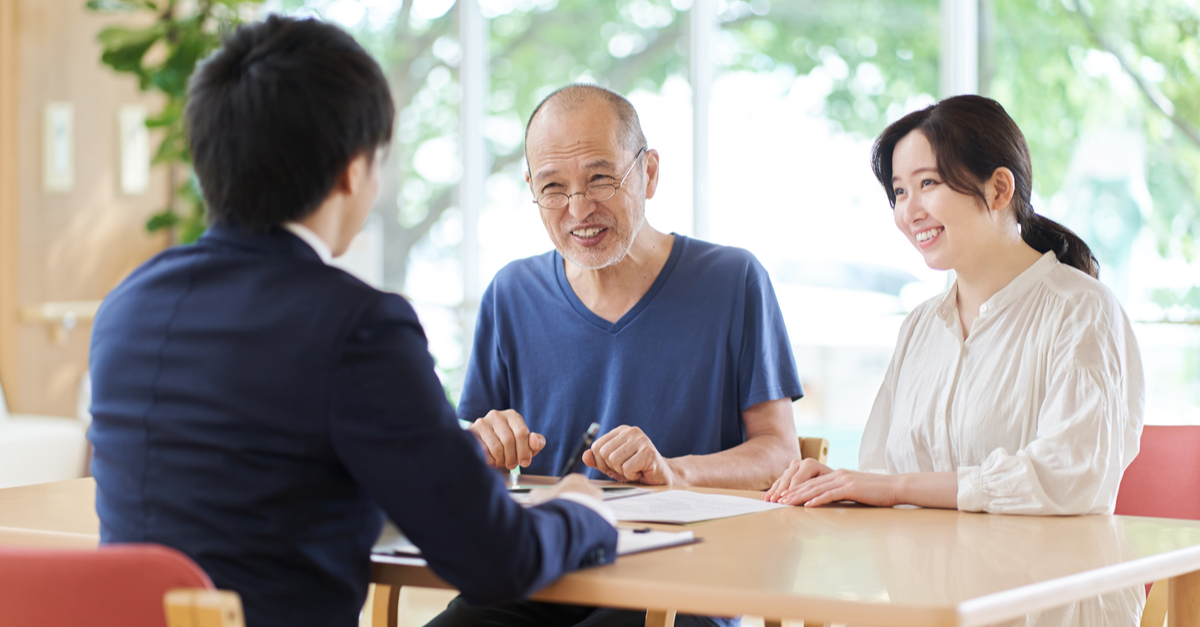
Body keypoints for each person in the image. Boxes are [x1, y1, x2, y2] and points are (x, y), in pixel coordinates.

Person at [87, 16, 617, 627]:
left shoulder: (127, 306)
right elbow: (496, 563)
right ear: (352, 169)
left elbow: (248, 487)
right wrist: (581, 511)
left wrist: (438, 473)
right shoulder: (357, 324)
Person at [764, 95, 1145, 626]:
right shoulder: (920, 326)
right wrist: (834, 486)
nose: (908, 210)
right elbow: (880, 472)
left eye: (928, 184)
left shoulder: (1081, 310)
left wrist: (893, 488)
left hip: (1051, 610)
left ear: (999, 188)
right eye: (899, 191)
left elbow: (1069, 475)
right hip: (932, 606)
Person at [431, 84, 804, 626]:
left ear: (648, 172)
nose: (579, 209)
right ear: (531, 189)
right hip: (540, 570)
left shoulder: (733, 280)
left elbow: (779, 452)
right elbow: (481, 477)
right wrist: (483, 449)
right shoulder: (511, 292)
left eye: (600, 178)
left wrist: (673, 471)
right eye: (553, 188)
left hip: (685, 576)